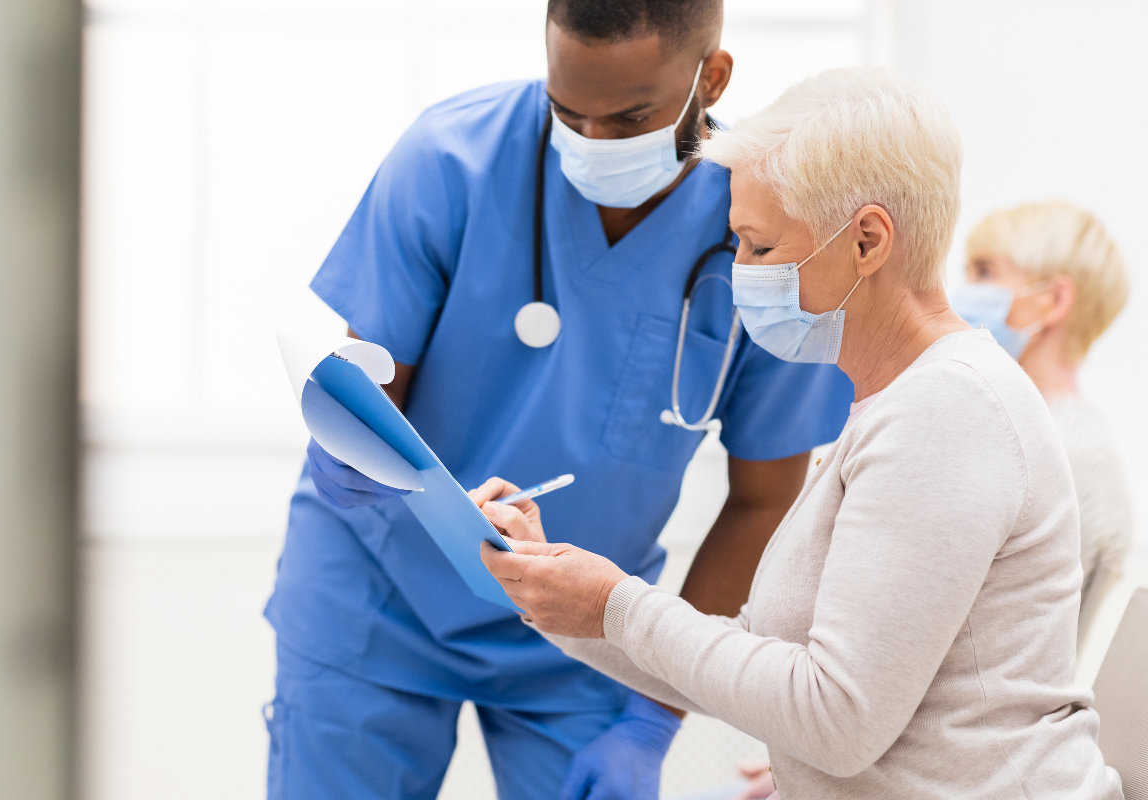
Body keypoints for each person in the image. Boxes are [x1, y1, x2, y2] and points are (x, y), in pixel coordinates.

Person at [478, 66, 1123, 799]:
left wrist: (616, 605)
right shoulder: (896, 402)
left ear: (867, 241)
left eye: (759, 248)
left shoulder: (949, 411)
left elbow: (837, 719)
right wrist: (560, 596)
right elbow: (762, 661)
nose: (740, 274)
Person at [263, 1, 854, 798]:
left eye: (630, 117)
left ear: (711, 78)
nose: (592, 142)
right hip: (377, 597)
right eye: (567, 112)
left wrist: (654, 718)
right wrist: (347, 444)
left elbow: (763, 500)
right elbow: (372, 394)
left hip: (584, 626)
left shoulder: (769, 230)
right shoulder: (452, 158)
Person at [952, 202, 1133, 644]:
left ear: (1053, 300)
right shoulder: (1035, 430)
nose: (962, 291)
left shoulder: (1057, 450)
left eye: (984, 272)